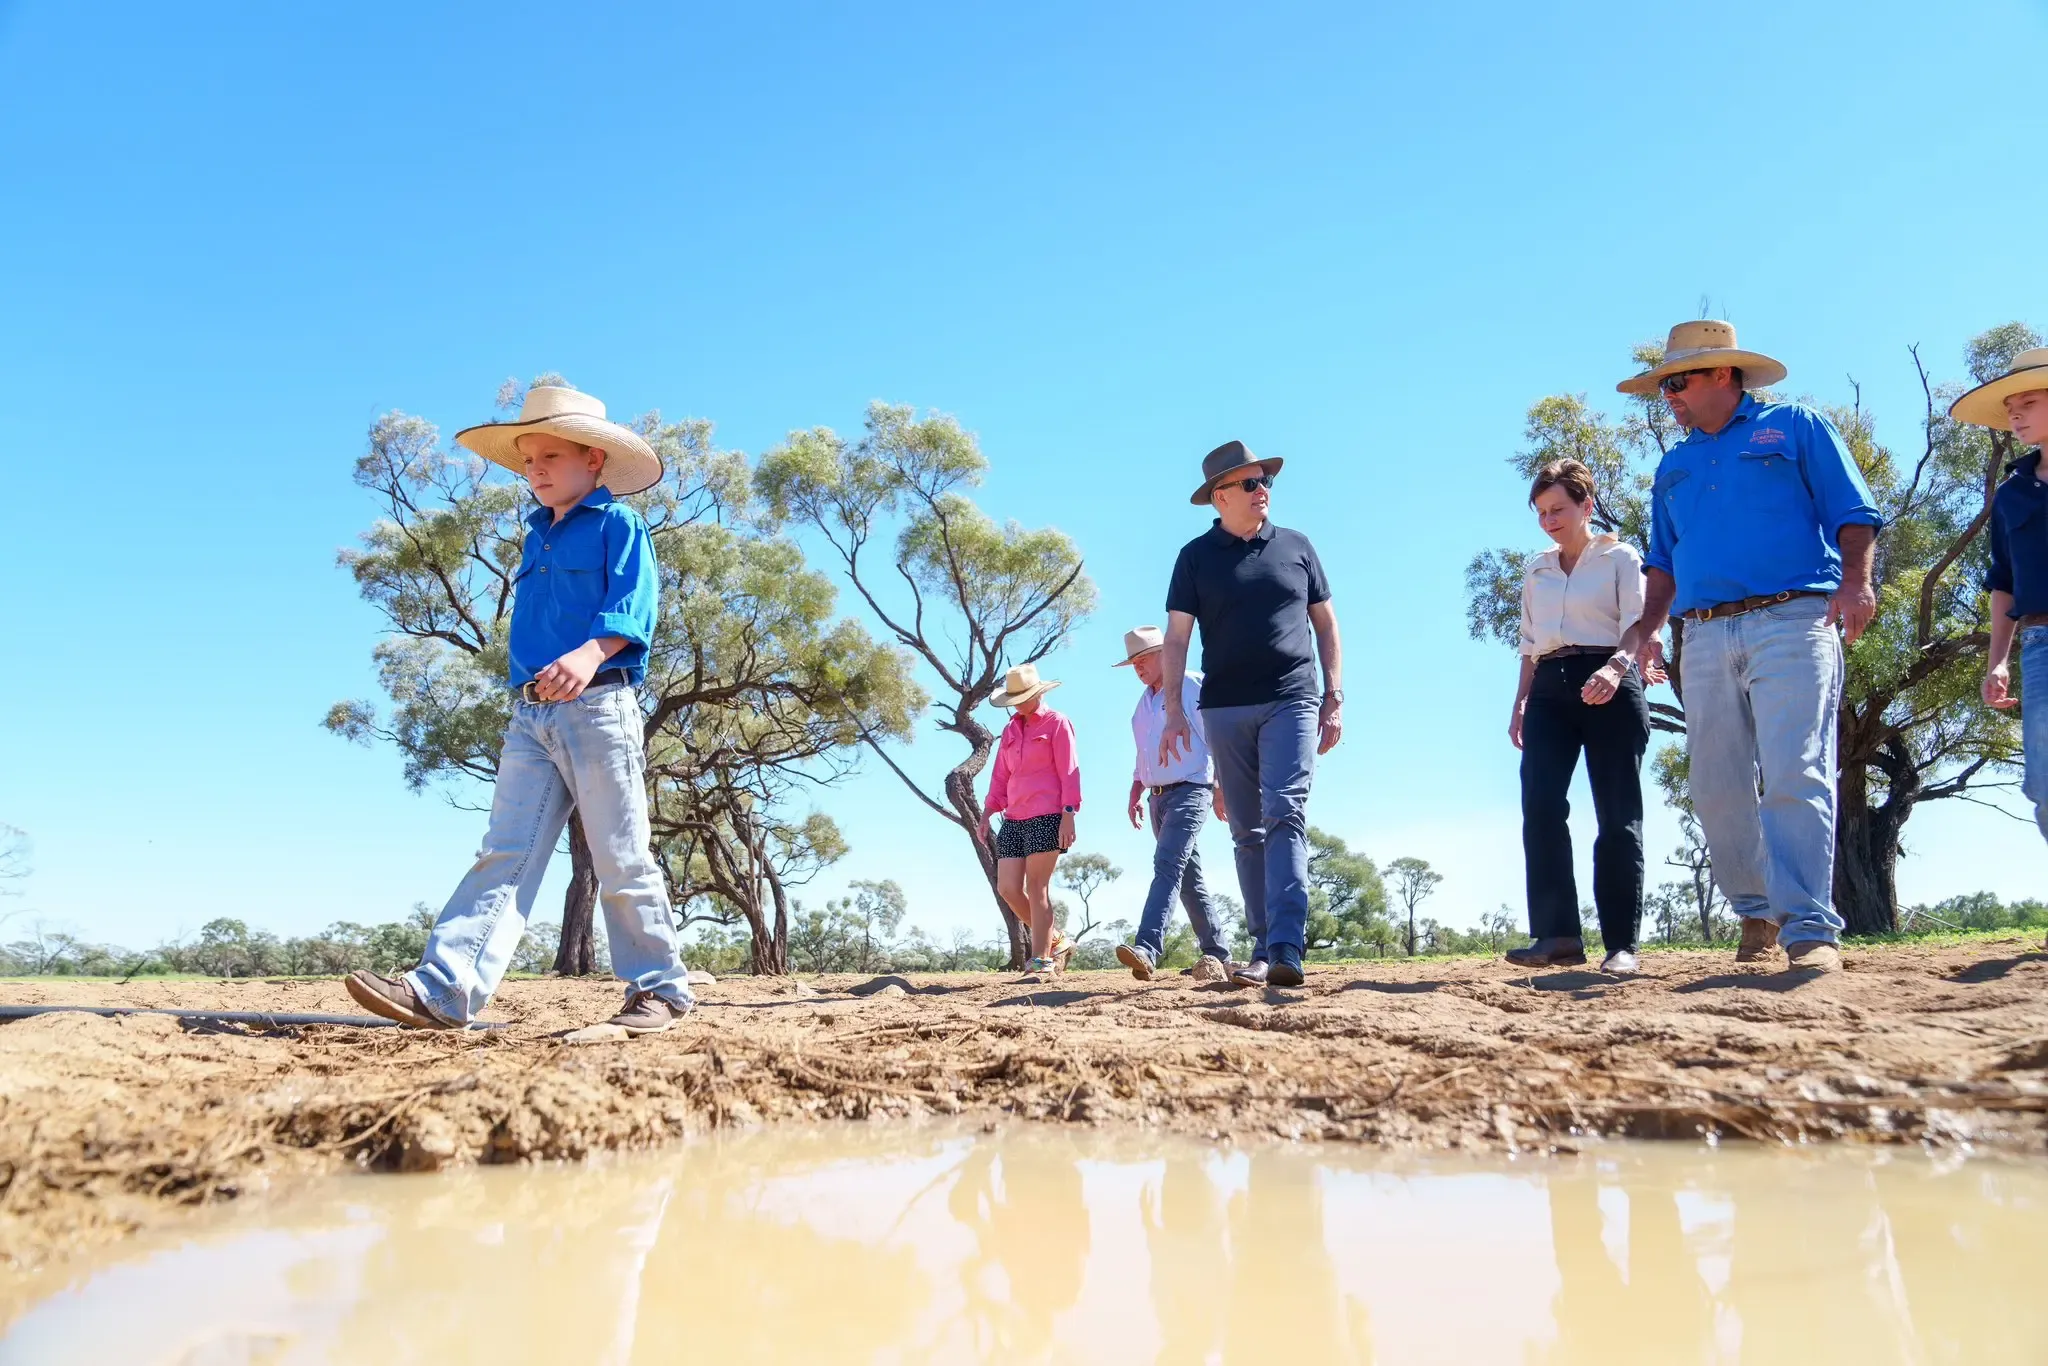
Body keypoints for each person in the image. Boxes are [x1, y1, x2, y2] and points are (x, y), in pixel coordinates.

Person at [346, 386, 696, 1032]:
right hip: (531, 716)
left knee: (620, 853)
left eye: (550, 456)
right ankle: (443, 990)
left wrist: (589, 654)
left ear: (593, 459)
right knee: (505, 851)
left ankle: (660, 989)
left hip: (599, 706)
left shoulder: (618, 524)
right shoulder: (536, 538)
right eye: (528, 460)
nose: (535, 470)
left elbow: (635, 606)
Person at [1625, 321, 1882, 974]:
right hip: (1703, 632)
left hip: (1793, 620)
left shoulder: (1795, 427)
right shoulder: (1673, 465)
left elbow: (1853, 511)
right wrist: (1649, 627)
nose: (1668, 397)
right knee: (1715, 785)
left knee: (1795, 771)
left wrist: (1856, 582)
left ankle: (1809, 929)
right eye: (1664, 387)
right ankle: (1756, 912)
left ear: (1723, 374)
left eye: (1677, 383)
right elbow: (1663, 558)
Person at [1158, 440, 1343, 989]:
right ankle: (1263, 948)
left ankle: (1286, 947)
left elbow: (1326, 624)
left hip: (1293, 698)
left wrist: (1334, 696)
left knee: (1286, 810)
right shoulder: (1194, 557)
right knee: (1247, 831)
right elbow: (1176, 638)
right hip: (1223, 708)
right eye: (1250, 483)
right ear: (1220, 497)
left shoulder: (1297, 546)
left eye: (1266, 482)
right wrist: (1174, 711)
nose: (1263, 491)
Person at [1505, 459, 1665, 974]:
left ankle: (1621, 946)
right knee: (1541, 807)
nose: (1549, 520)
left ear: (1586, 506)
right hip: (1549, 689)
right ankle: (1558, 936)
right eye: (1541, 512)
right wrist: (1520, 701)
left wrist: (1617, 668)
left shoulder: (1620, 557)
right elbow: (1529, 642)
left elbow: (1638, 623)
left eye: (1558, 509)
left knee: (1617, 815)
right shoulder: (1538, 569)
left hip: (1610, 683)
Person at [1950, 345, 2048, 949]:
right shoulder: (2012, 494)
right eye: (2010, 406)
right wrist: (1999, 660)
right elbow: (2003, 582)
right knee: (2043, 786)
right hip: (2038, 642)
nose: (2014, 414)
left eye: (2028, 402)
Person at [1111, 625, 1235, 982]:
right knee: (1187, 878)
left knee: (1166, 865)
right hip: (1157, 798)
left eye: (1144, 658)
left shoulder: (1191, 685)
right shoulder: (1142, 705)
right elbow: (1144, 753)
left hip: (1191, 790)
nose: (1138, 666)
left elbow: (1216, 737)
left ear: (1166, 654)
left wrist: (1220, 786)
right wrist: (1136, 788)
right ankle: (1218, 954)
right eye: (1133, 662)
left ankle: (1147, 948)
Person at [978, 663, 1082, 980]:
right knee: (1008, 888)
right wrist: (987, 812)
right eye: (1014, 699)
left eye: (1023, 697)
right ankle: (1056, 940)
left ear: (1037, 693)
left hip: (1048, 814)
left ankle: (1040, 962)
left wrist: (1068, 814)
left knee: (1037, 887)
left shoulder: (1057, 723)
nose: (1018, 704)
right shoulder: (1010, 731)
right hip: (1013, 817)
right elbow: (1000, 775)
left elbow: (1069, 771)